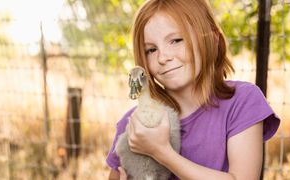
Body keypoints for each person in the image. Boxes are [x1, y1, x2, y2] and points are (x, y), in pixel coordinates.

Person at [106, 0, 280, 179]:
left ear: (211, 40)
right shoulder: (135, 124)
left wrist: (162, 152)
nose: (163, 57)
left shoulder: (243, 102)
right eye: (151, 50)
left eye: (176, 40)